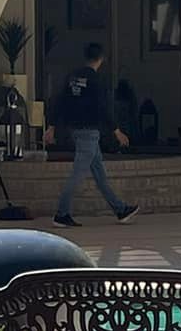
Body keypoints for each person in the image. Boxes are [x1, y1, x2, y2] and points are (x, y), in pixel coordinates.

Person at [51, 43, 139, 227]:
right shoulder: (97, 80)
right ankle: (61, 213)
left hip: (76, 130)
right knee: (77, 174)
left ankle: (120, 210)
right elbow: (102, 108)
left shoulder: (73, 77)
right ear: (101, 58)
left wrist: (52, 126)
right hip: (89, 131)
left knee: (99, 174)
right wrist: (116, 131)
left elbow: (61, 101)